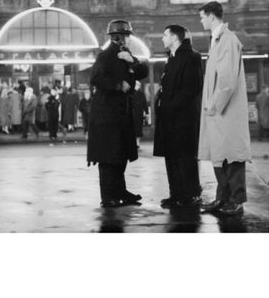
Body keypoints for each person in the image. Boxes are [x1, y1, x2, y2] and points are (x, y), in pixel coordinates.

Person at [87, 19, 148, 208]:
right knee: (108, 158)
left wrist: (133, 61)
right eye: (128, 36)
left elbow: (142, 71)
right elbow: (96, 78)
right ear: (119, 37)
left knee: (120, 156)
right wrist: (118, 85)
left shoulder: (125, 54)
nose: (130, 39)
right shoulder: (105, 56)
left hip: (120, 115)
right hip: (107, 116)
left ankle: (120, 191)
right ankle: (108, 196)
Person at [198, 1, 252, 216]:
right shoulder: (218, 39)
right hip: (219, 112)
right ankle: (222, 198)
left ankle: (236, 201)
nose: (201, 21)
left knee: (232, 156)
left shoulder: (227, 40)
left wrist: (214, 104)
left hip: (225, 111)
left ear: (212, 17)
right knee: (221, 155)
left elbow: (227, 81)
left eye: (202, 17)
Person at [153, 25, 203, 208]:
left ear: (175, 38)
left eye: (165, 34)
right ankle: (175, 194)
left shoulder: (192, 57)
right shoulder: (171, 58)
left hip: (184, 119)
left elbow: (191, 89)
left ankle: (190, 194)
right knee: (171, 157)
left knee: (185, 158)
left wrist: (169, 106)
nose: (162, 38)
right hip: (169, 118)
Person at [131, 81, 148, 148]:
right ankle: (134, 142)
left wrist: (147, 112)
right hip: (133, 113)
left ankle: (137, 142)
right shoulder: (131, 93)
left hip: (139, 113)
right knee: (133, 128)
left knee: (138, 128)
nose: (137, 86)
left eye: (138, 85)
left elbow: (144, 103)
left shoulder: (141, 93)